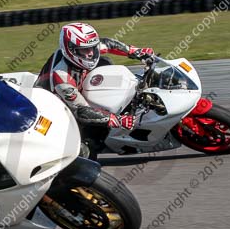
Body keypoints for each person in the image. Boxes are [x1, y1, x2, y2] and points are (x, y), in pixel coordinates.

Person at [35, 22, 153, 154]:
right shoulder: (62, 76)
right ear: (71, 49)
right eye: (85, 49)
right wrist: (116, 119)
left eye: (92, 48)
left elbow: (108, 44)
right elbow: (82, 111)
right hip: (56, 111)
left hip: (77, 89)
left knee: (105, 62)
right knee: (88, 146)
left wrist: (135, 51)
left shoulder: (83, 49)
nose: (91, 53)